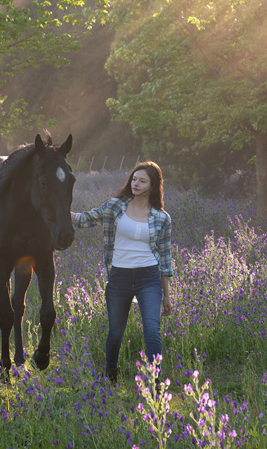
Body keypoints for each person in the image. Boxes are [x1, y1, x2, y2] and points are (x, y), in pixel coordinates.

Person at [72, 161, 174, 383]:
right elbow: (84, 219)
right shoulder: (115, 206)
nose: (136, 184)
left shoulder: (161, 218)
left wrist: (167, 294)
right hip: (119, 278)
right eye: (134, 179)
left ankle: (156, 383)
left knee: (152, 330)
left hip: (149, 278)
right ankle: (111, 374)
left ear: (153, 185)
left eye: (142, 181)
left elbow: (165, 259)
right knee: (116, 331)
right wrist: (56, 210)